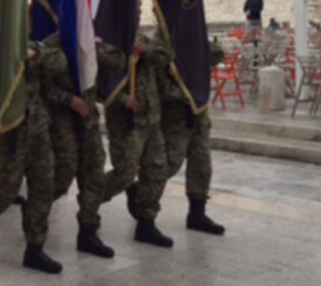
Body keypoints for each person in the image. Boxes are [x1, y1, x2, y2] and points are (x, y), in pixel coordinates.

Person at [0, 42, 62, 274]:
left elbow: (60, 65)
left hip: (38, 129)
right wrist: (6, 115)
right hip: (9, 133)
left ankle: (35, 248)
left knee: (43, 187)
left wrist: (37, 54)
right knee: (8, 188)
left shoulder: (36, 49)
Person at [135, 40, 226, 237]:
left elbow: (218, 54)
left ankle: (197, 214)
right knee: (168, 165)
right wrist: (186, 95)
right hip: (176, 118)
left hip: (198, 115)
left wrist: (194, 44)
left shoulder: (191, 37)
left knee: (201, 165)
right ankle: (144, 212)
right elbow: (160, 87)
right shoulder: (158, 45)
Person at [42, 33, 118, 258]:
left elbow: (117, 61)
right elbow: (42, 88)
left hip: (88, 119)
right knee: (63, 175)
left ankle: (88, 232)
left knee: (94, 174)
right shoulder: (51, 45)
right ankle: (35, 211)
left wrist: (93, 49)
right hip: (62, 119)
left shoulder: (91, 41)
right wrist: (69, 101)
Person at [101, 34, 174, 248]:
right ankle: (89, 204)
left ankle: (146, 223)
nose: (137, 12)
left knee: (157, 171)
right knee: (124, 174)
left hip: (151, 119)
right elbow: (99, 83)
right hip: (126, 123)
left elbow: (167, 55)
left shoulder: (142, 39)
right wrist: (123, 100)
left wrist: (144, 50)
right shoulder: (107, 41)